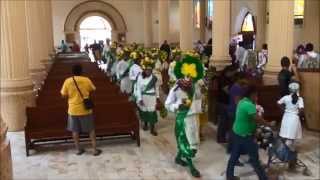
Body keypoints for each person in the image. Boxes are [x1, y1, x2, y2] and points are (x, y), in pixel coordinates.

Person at [165, 55, 204, 178]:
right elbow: (167, 104)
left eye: (192, 75)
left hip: (194, 117)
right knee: (187, 144)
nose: (189, 77)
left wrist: (202, 93)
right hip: (183, 118)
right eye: (187, 75)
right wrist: (178, 105)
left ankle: (178, 158)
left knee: (194, 143)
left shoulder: (197, 85)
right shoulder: (176, 87)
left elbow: (199, 98)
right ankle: (191, 167)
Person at [226, 85, 273, 180]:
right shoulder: (249, 105)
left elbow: (250, 118)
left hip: (237, 133)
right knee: (254, 159)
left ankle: (229, 176)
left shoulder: (242, 101)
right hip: (245, 135)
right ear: (252, 95)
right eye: (256, 95)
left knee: (234, 155)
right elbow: (257, 119)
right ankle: (264, 178)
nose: (257, 97)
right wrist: (269, 124)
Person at [60, 64, 102, 156]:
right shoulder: (86, 80)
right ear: (81, 71)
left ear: (72, 72)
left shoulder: (67, 81)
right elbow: (93, 89)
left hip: (73, 109)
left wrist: (71, 95)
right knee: (91, 130)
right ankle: (94, 150)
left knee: (75, 130)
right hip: (85, 109)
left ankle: (78, 149)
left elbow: (63, 95)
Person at [136, 57, 159, 136]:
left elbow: (157, 88)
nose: (148, 72)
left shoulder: (154, 78)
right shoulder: (140, 77)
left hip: (152, 97)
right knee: (144, 111)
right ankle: (145, 124)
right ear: (144, 70)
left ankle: (152, 128)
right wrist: (139, 98)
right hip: (143, 96)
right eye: (147, 70)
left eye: (150, 70)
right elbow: (138, 88)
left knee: (152, 112)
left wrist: (158, 98)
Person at [277, 81, 304, 150]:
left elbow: (278, 103)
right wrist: (298, 114)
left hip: (286, 116)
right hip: (294, 117)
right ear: (298, 89)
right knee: (292, 133)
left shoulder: (286, 97)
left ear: (289, 89)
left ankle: (286, 148)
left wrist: (283, 110)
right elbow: (301, 109)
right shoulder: (300, 99)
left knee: (286, 132)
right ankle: (290, 148)